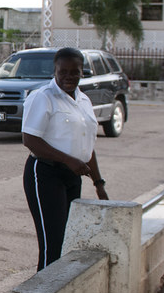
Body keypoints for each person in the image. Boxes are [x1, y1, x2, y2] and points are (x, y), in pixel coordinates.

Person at [22, 47, 109, 272]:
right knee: (53, 242)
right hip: (45, 173)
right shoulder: (43, 97)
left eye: (75, 71)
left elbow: (87, 146)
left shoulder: (84, 101)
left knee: (68, 238)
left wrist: (99, 184)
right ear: (55, 70)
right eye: (63, 71)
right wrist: (68, 160)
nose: (69, 76)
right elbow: (30, 139)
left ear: (83, 72)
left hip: (73, 176)